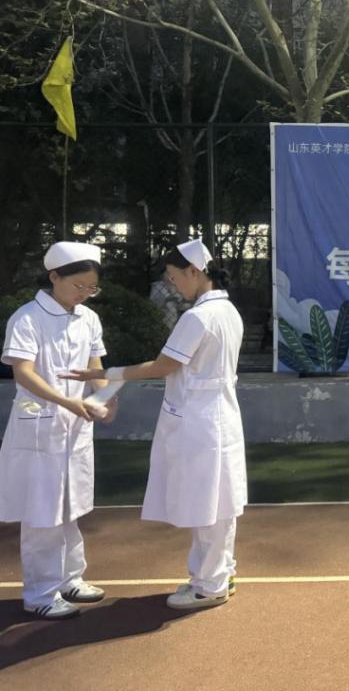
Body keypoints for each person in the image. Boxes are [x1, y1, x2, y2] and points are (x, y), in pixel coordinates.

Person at [65, 239, 245, 610]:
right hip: (220, 415)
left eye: (175, 277)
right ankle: (219, 573)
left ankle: (209, 584)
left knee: (205, 502)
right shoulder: (228, 311)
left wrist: (106, 373)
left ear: (194, 271)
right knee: (220, 500)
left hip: (199, 420)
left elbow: (163, 366)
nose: (174, 285)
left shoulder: (197, 317)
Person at [0, 242, 114, 619]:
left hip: (75, 425)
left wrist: (106, 397)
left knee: (71, 506)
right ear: (54, 277)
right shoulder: (27, 318)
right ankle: (40, 593)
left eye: (91, 288)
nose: (84, 294)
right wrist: (66, 402)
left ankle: (70, 579)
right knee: (42, 511)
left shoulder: (88, 318)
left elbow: (95, 366)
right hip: (39, 423)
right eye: (78, 285)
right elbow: (23, 373)